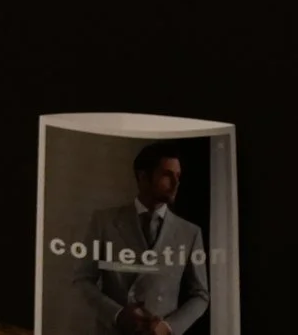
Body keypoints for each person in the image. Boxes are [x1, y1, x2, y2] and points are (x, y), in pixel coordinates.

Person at [74, 143, 209, 335]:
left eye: (178, 176)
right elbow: (82, 280)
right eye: (167, 175)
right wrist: (118, 314)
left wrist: (168, 327)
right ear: (143, 176)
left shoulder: (190, 232)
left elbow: (201, 295)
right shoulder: (104, 221)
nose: (176, 183)